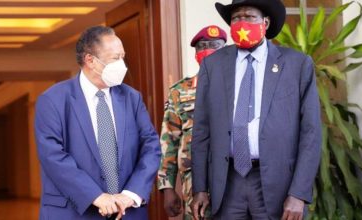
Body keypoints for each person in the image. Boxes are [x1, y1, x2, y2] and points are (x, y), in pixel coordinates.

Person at [190, 0, 322, 219]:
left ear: (266, 23)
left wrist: (299, 193)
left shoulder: (297, 65)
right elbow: (201, 131)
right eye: (236, 18)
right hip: (228, 184)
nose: (241, 23)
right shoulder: (212, 66)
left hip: (278, 185)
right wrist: (200, 187)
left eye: (249, 17)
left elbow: (311, 133)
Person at [35, 26, 161, 220]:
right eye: (115, 58)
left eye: (123, 56)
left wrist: (130, 194)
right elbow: (52, 155)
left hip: (126, 211)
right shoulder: (53, 99)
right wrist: (95, 196)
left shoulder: (131, 98)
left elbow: (151, 147)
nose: (122, 64)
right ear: (90, 61)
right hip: (73, 212)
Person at [157, 25, 227, 219]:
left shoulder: (239, 86)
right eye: (203, 46)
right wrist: (168, 188)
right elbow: (169, 141)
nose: (209, 51)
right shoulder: (179, 91)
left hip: (233, 180)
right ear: (196, 53)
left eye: (215, 46)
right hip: (193, 181)